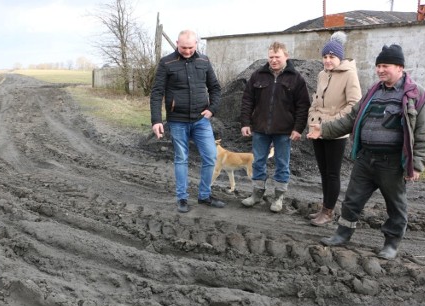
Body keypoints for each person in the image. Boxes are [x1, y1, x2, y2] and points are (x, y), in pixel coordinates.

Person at [307, 44, 425, 260]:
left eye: (384, 66)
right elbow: (351, 119)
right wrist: (324, 130)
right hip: (365, 158)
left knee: (396, 206)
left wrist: (417, 164)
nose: (379, 70)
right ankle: (342, 234)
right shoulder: (373, 92)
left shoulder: (417, 96)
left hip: (393, 163)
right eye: (378, 66)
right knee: (351, 200)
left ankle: (391, 244)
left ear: (399, 67)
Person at [150, 29, 225, 213]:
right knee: (181, 158)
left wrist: (212, 109)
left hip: (201, 120)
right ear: (177, 43)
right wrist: (156, 120)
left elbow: (215, 88)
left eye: (191, 47)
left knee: (211, 157)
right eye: (183, 47)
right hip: (177, 120)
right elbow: (157, 92)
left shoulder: (204, 61)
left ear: (196, 44)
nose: (187, 51)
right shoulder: (166, 62)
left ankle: (204, 195)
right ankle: (182, 198)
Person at [239, 41, 310, 212]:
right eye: (271, 57)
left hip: (284, 130)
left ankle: (278, 197)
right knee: (258, 162)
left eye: (277, 57)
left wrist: (298, 128)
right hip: (260, 128)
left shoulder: (296, 79)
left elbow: (303, 106)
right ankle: (257, 194)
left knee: (282, 163)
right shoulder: (258, 76)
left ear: (286, 56)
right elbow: (247, 100)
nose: (273, 60)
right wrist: (246, 123)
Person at [307, 32, 362, 226]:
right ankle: (324, 208)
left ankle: (328, 212)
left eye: (332, 57)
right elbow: (316, 100)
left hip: (336, 132)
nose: (328, 60)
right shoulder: (322, 74)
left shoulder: (350, 74)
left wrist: (330, 123)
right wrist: (312, 118)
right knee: (323, 172)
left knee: (332, 173)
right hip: (317, 130)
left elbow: (354, 105)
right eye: (325, 56)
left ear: (340, 57)